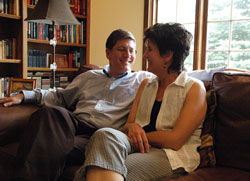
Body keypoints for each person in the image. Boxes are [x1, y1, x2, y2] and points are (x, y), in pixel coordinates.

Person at [0, 29, 155, 181]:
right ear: (108, 53)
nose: (128, 55)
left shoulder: (143, 79)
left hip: (101, 134)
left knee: (48, 143)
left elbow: (171, 81)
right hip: (74, 124)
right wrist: (24, 96)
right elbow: (59, 95)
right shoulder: (88, 77)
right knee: (50, 113)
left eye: (132, 51)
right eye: (122, 49)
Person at [74, 23, 207, 181]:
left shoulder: (194, 89)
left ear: (168, 55)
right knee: (104, 134)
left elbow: (175, 140)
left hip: (171, 155)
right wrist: (132, 127)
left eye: (149, 49)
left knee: (108, 165)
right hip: (138, 145)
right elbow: (128, 125)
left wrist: (141, 134)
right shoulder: (146, 84)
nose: (144, 55)